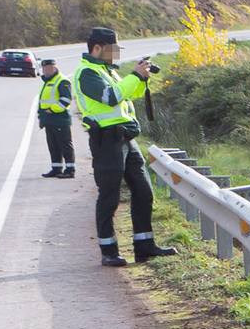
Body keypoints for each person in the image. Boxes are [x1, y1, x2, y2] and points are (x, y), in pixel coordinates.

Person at [74, 26, 175, 267]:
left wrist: (141, 78)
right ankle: (109, 251)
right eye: (113, 49)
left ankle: (145, 247)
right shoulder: (87, 73)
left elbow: (127, 96)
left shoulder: (106, 71)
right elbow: (110, 97)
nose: (116, 54)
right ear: (97, 48)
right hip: (106, 141)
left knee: (143, 191)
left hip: (126, 139)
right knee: (109, 196)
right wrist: (135, 76)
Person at [35, 59, 76, 179]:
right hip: (49, 120)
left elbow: (66, 100)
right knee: (53, 146)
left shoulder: (62, 80)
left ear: (55, 67)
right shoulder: (48, 81)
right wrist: (41, 115)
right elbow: (43, 101)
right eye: (44, 68)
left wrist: (52, 110)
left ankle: (70, 170)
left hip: (59, 119)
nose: (46, 70)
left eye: (49, 68)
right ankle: (56, 169)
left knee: (65, 145)